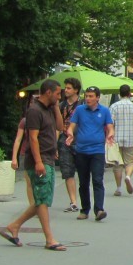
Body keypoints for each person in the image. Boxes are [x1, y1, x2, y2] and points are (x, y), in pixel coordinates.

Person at [0, 79, 66, 251]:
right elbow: (33, 138)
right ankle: (49, 239)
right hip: (40, 159)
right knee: (42, 200)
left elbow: (60, 126)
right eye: (58, 93)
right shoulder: (34, 111)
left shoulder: (50, 109)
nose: (60, 96)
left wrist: (57, 107)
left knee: (41, 200)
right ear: (48, 92)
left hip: (48, 157)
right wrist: (38, 162)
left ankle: (14, 226)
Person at [66, 86, 115, 221]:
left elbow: (110, 127)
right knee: (83, 182)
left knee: (97, 180)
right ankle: (84, 210)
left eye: (91, 96)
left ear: (97, 98)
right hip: (81, 150)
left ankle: (99, 209)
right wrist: (70, 133)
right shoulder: (80, 110)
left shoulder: (104, 111)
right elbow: (72, 125)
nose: (88, 98)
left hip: (97, 151)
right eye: (86, 96)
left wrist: (110, 135)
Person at [109, 84, 133, 196]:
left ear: (120, 93)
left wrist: (108, 137)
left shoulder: (114, 106)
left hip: (116, 139)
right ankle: (128, 176)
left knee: (117, 164)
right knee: (130, 162)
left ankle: (118, 188)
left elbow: (110, 124)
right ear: (129, 94)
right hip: (130, 138)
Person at [57, 79, 81, 212]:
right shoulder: (61, 105)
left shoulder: (82, 105)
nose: (66, 90)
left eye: (69, 88)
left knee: (83, 171)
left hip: (80, 140)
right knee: (67, 172)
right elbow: (57, 126)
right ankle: (73, 201)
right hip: (64, 140)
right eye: (65, 88)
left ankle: (84, 199)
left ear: (76, 90)